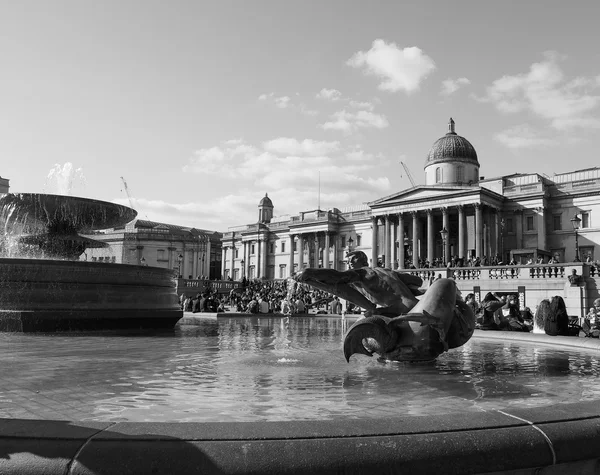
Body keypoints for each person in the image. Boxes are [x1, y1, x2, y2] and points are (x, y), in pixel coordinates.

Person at [294, 250, 423, 317]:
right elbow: (418, 281)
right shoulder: (387, 271)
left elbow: (337, 276)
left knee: (367, 315)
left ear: (360, 260)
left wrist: (311, 272)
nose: (349, 263)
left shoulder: (361, 273)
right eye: (348, 260)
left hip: (399, 310)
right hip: (416, 306)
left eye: (352, 260)